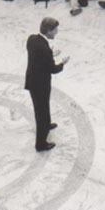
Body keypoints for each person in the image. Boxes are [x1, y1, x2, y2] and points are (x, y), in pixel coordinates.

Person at [25, 18, 70, 152]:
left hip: (33, 80)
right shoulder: (45, 49)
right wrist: (62, 63)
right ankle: (41, 144)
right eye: (55, 30)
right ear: (49, 31)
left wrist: (50, 53)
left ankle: (47, 124)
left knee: (44, 107)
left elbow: (38, 54)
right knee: (41, 112)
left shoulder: (32, 39)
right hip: (40, 85)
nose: (57, 32)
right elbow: (53, 69)